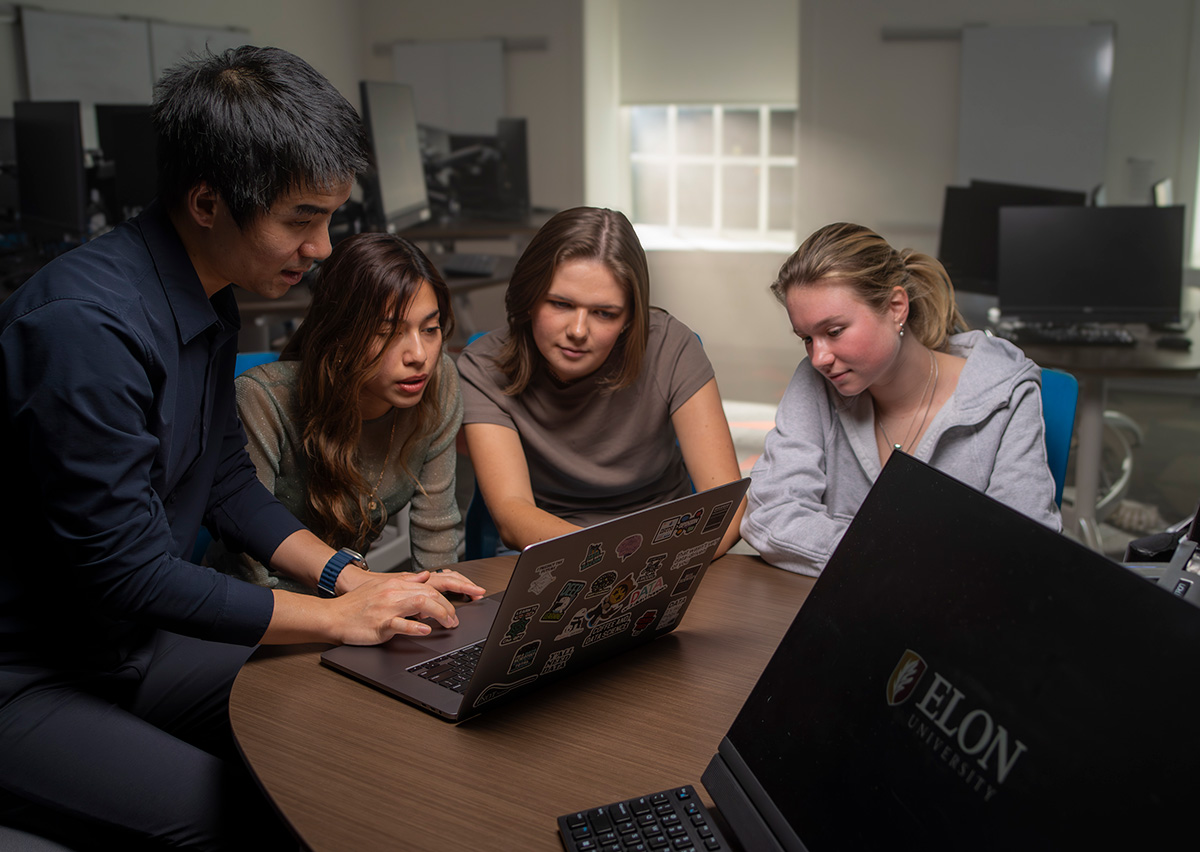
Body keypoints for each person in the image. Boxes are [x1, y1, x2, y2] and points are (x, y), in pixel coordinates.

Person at [0, 47, 483, 851]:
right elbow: (126, 571)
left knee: (358, 708)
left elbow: (225, 483)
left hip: (129, 647)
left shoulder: (207, 294)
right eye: (302, 219)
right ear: (206, 201)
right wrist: (340, 618)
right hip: (27, 678)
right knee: (244, 815)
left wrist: (351, 580)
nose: (324, 248)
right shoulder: (86, 328)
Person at [741, 222, 1061, 577]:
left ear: (896, 307)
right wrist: (906, 558)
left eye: (834, 332)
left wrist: (873, 552)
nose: (819, 358)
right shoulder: (814, 382)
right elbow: (768, 515)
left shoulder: (1006, 393)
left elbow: (1025, 546)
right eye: (806, 338)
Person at [457, 206, 744, 556]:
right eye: (561, 304)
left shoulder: (672, 347)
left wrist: (658, 562)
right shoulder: (484, 366)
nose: (578, 331)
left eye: (604, 313)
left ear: (629, 318)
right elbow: (513, 515)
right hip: (546, 550)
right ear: (529, 298)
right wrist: (619, 561)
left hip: (667, 547)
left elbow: (725, 507)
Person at [214, 232, 463, 590]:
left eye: (430, 329)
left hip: (352, 599)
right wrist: (347, 618)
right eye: (387, 332)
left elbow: (437, 536)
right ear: (341, 336)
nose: (419, 355)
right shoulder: (263, 400)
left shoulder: (439, 382)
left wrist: (445, 617)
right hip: (262, 616)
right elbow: (251, 573)